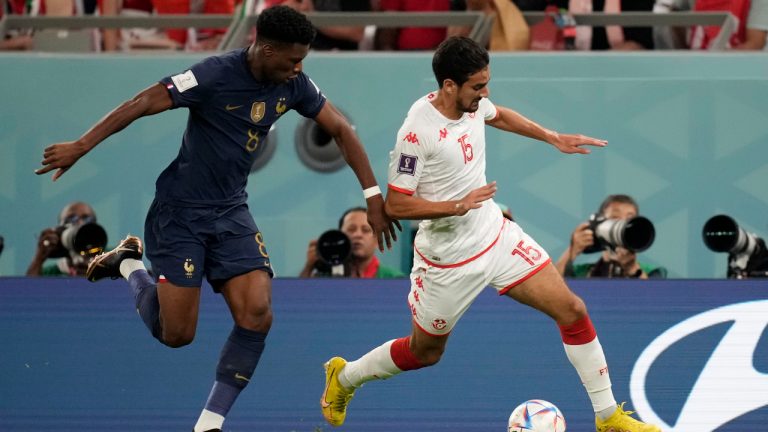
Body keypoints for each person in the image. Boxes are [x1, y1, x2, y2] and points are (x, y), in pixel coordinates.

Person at [35, 6, 399, 432]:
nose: (299, 68)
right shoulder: (213, 74)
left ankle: (209, 423)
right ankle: (129, 264)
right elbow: (142, 102)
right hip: (180, 214)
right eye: (292, 59)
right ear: (265, 48)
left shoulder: (294, 84)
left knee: (258, 313)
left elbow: (341, 129)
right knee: (177, 335)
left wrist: (373, 196)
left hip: (230, 211)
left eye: (303, 60)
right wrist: (81, 145)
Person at [319, 36, 660, 432]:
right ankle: (344, 377)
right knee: (425, 352)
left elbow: (498, 116)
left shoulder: (474, 105)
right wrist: (456, 205)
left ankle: (608, 417)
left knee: (573, 310)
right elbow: (396, 205)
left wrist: (552, 137)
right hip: (447, 261)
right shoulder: (417, 132)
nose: (485, 93)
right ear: (449, 86)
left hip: (496, 237)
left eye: (486, 83)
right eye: (478, 86)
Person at [555, 194, 664, 279]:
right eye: (615, 217)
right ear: (600, 224)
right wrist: (572, 250)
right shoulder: (582, 272)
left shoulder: (652, 272)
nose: (623, 223)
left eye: (630, 219)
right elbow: (553, 288)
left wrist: (632, 269)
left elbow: (656, 300)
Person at [300, 206, 405, 278]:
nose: (357, 235)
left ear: (378, 241)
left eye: (366, 230)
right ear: (340, 236)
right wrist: (309, 267)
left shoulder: (395, 279)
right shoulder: (325, 277)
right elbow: (297, 302)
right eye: (351, 229)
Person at [26, 201, 105, 277]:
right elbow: (28, 288)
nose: (80, 223)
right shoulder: (51, 273)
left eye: (87, 219)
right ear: (60, 229)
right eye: (71, 219)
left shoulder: (112, 257)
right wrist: (39, 259)